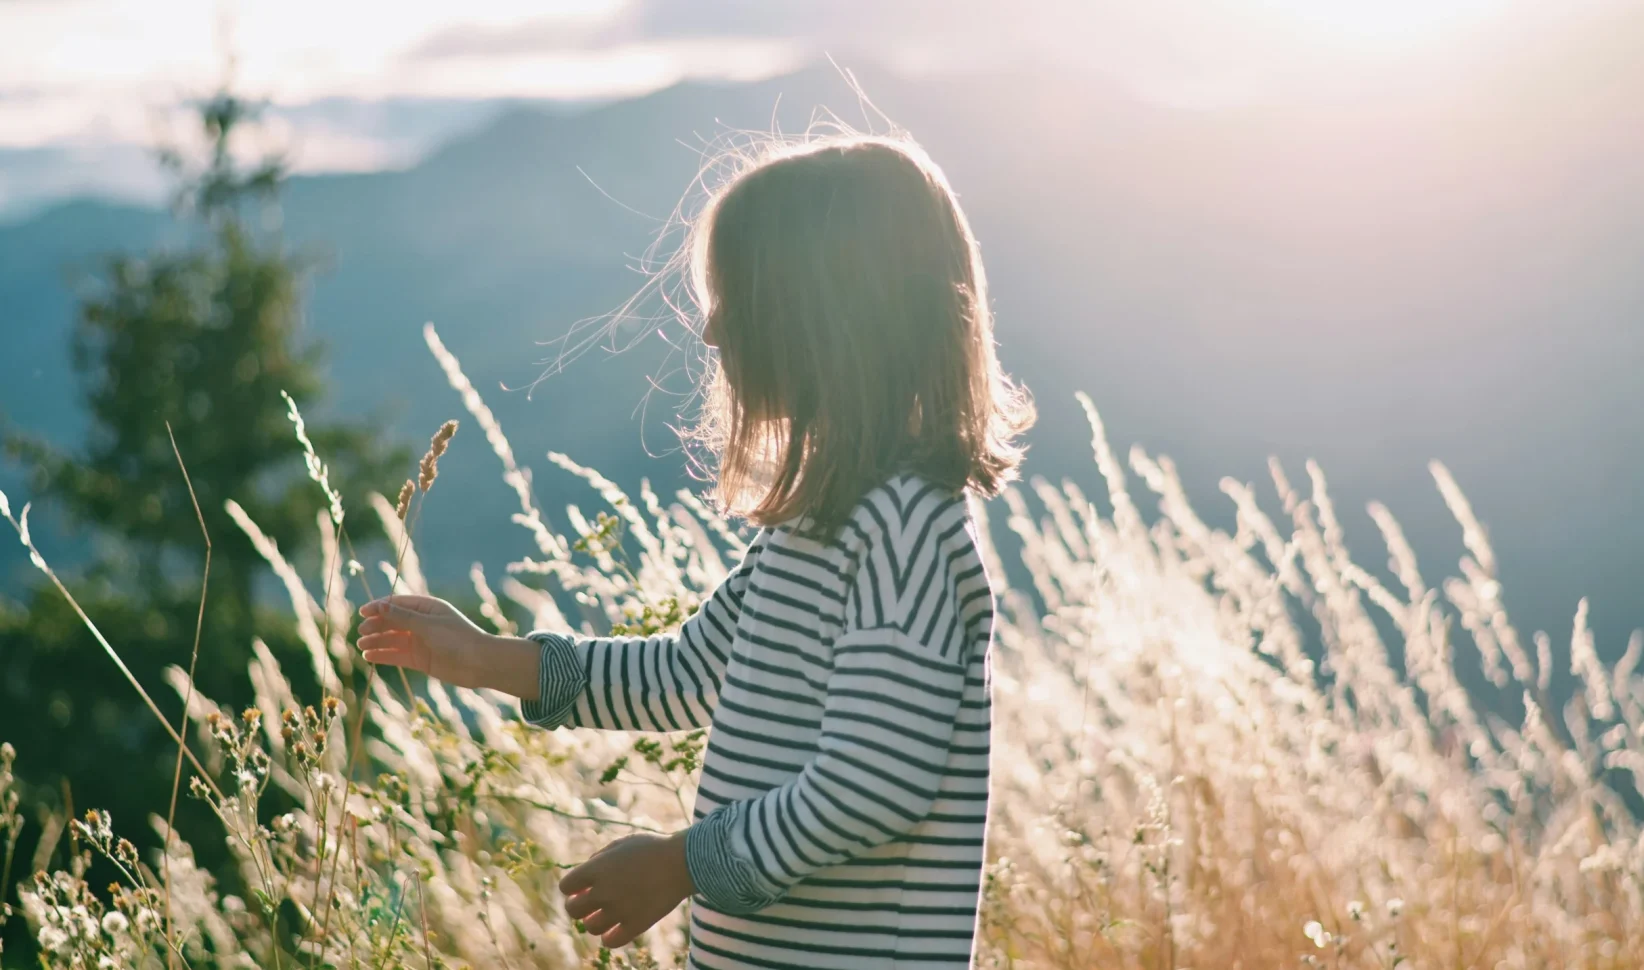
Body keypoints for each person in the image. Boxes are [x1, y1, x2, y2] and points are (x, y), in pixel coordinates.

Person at [356, 130, 1034, 969]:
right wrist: (489, 659)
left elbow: (871, 785)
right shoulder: (814, 523)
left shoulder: (905, 531)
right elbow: (688, 673)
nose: (712, 332)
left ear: (826, 319)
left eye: (738, 299)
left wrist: (682, 863)